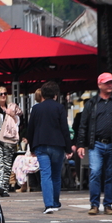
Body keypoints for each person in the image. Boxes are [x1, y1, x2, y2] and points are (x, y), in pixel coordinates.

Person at [25, 81, 73, 213]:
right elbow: (65, 129)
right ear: (56, 95)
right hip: (57, 145)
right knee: (56, 175)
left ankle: (49, 204)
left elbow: (31, 130)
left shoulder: (36, 109)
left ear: (43, 94)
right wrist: (68, 149)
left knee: (45, 174)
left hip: (40, 145)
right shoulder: (59, 108)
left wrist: (32, 147)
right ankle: (56, 202)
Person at [77, 72, 112, 215]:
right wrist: (81, 144)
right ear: (99, 84)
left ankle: (108, 205)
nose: (110, 85)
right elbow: (83, 125)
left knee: (111, 175)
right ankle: (94, 204)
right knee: (95, 172)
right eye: (107, 82)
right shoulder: (92, 103)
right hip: (96, 144)